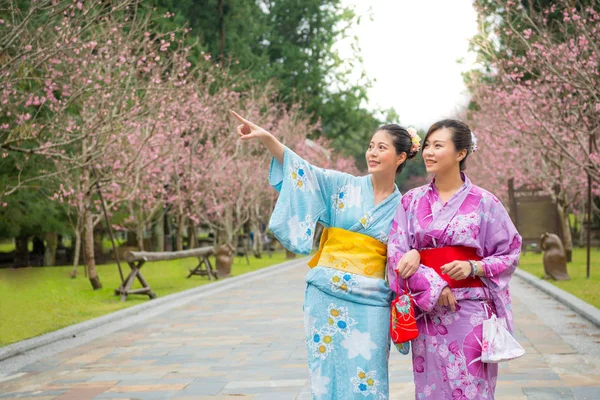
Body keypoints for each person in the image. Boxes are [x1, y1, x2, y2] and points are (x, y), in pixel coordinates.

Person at [230, 110, 419, 399]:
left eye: (382, 148)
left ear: (401, 157)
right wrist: (269, 139)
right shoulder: (343, 185)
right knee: (326, 371)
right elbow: (303, 171)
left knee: (369, 376)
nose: (372, 153)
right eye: (370, 146)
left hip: (371, 299)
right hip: (325, 293)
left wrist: (416, 253)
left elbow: (416, 245)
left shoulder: (405, 206)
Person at [387, 119, 521, 400]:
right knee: (431, 390)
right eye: (427, 146)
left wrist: (475, 266)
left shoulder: (485, 202)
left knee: (473, 389)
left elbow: (510, 251)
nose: (429, 152)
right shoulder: (411, 202)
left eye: (438, 145)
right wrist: (433, 281)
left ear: (461, 153)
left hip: (471, 310)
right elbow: (396, 254)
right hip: (429, 312)